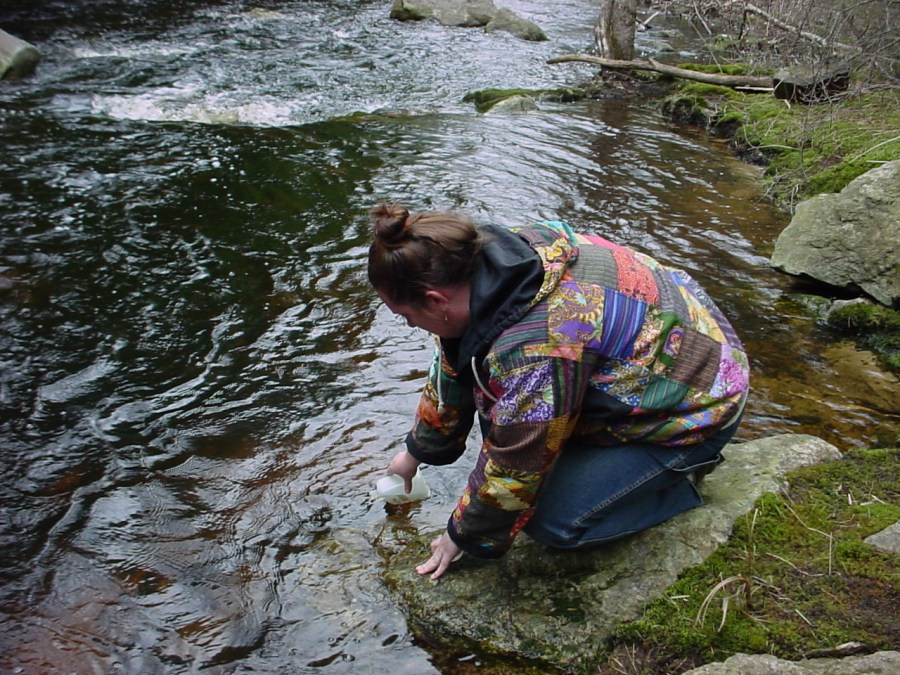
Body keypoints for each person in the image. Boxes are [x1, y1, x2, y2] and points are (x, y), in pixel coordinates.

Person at [367, 202, 749, 580]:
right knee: (500, 415)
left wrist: (462, 534)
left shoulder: (541, 344)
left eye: (406, 316)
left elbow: (519, 461)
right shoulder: (500, 258)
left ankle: (680, 483)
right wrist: (416, 453)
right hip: (673, 351)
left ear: (436, 300)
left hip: (699, 405)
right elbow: (457, 361)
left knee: (551, 523)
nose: (410, 326)